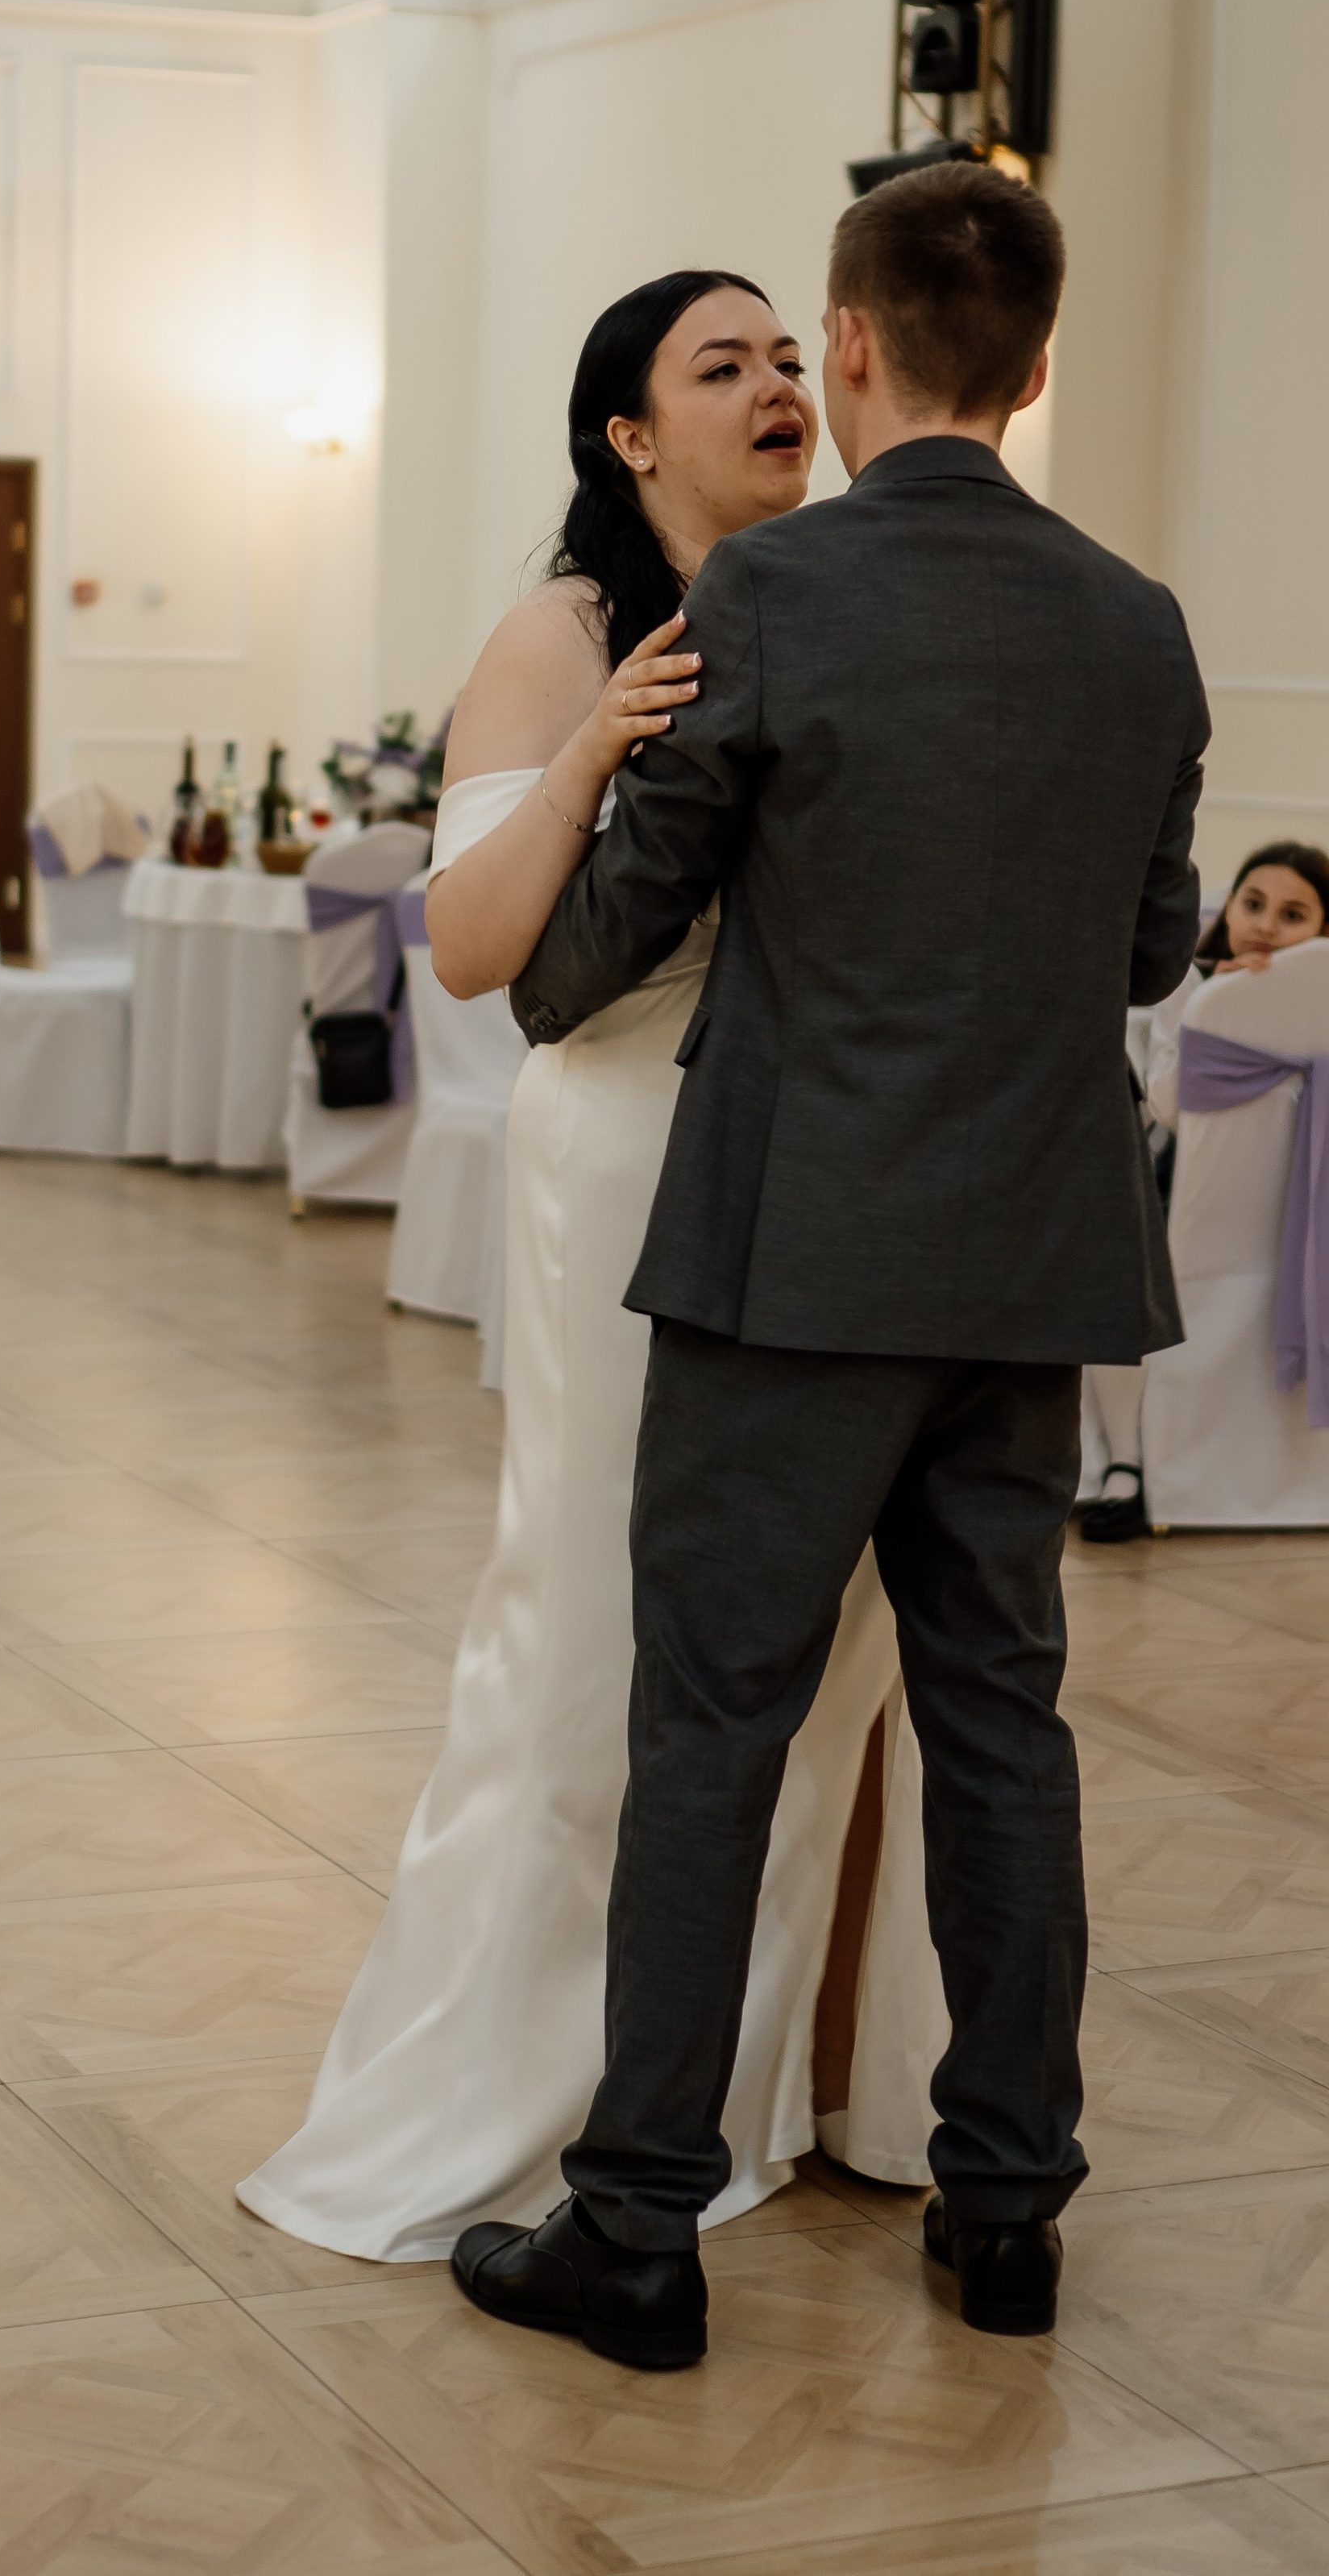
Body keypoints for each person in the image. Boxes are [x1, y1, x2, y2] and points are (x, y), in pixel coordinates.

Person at [450, 160, 1207, 2370]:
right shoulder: (1140, 622)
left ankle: (639, 2229)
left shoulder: (774, 597)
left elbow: (571, 963)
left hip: (792, 1262)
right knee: (1004, 1726)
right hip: (1035, 1264)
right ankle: (1007, 2204)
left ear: (855, 351)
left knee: (711, 1726)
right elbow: (1156, 942)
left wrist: (621, 840)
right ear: (1040, 365)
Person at [235, 272, 944, 2271]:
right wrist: (591, 751)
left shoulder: (846, 596)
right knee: (600, 1634)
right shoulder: (557, 632)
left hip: (828, 1176)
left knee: (840, 1650)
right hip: (631, 1154)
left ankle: (773, 2080)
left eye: (785, 355)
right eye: (717, 367)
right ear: (626, 436)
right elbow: (467, 951)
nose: (774, 387)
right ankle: (533, 2097)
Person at [1082, 839, 1329, 1540]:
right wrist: (1225, 1008)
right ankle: (1129, 1460)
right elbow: (1166, 1107)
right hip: (1182, 1188)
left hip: (1302, 1206)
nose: (1264, 924)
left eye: (1293, 914)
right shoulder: (1184, 984)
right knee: (1119, 1278)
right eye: (1253, 903)